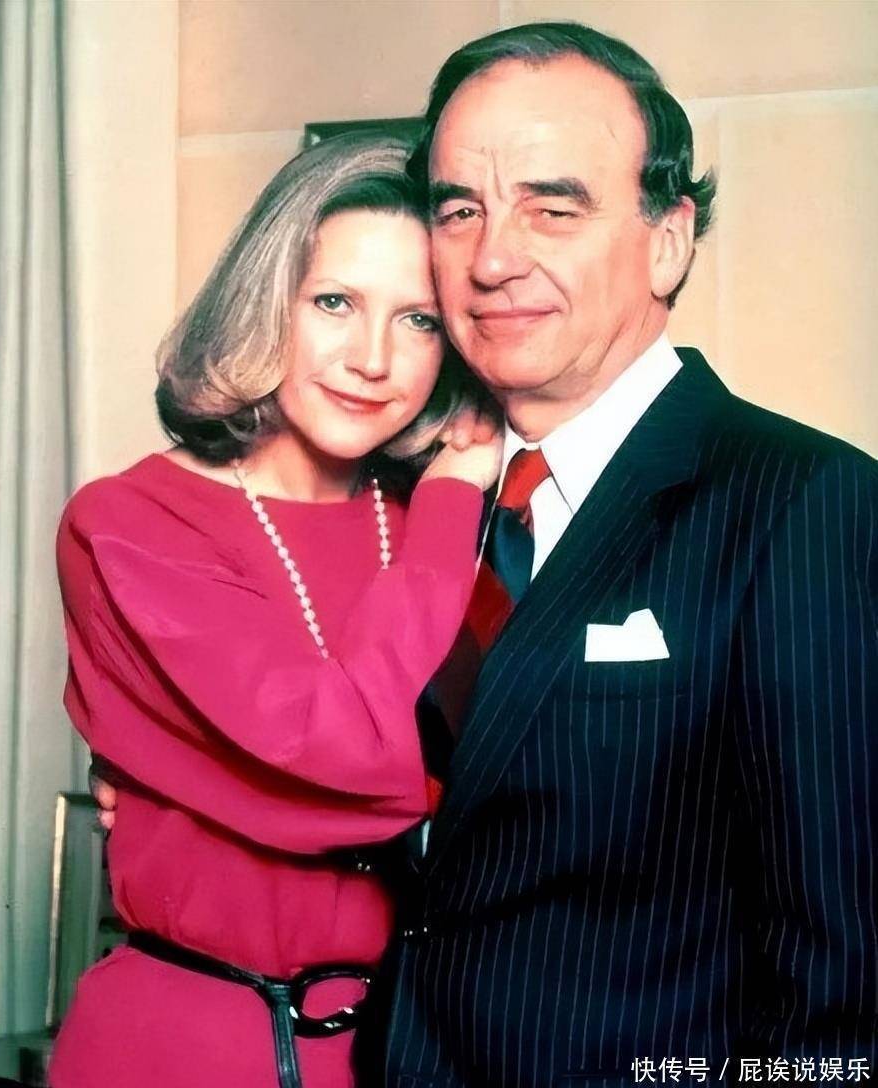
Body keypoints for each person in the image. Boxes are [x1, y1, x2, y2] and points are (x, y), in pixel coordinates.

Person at [373, 22, 878, 1087]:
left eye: (551, 208)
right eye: (459, 210)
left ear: (666, 241)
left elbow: (841, 977)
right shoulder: (403, 500)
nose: (492, 258)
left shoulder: (801, 501)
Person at [51, 134, 501, 1088]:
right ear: (265, 301)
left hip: (411, 1046)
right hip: (184, 1046)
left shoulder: (438, 524)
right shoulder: (132, 523)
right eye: (333, 302)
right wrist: (450, 506)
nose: (372, 359)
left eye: (418, 320)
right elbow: (335, 755)